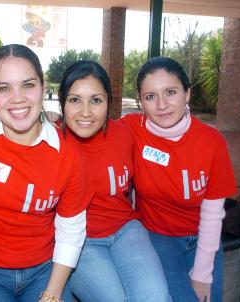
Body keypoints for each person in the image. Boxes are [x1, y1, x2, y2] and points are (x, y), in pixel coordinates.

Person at [0, 44, 92, 302]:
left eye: (28, 85)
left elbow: (71, 230)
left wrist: (52, 294)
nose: (18, 98)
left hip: (43, 270)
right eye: (3, 88)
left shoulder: (69, 152)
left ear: (43, 85)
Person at [120, 56, 236, 302]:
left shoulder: (211, 141)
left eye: (170, 92)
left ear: (187, 94)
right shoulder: (132, 129)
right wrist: (49, 121)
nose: (161, 104)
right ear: (141, 102)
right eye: (150, 96)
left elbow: (213, 212)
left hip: (204, 237)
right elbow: (89, 128)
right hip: (158, 236)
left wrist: (203, 273)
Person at [56, 60, 171, 302]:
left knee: (155, 297)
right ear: (62, 102)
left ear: (109, 102)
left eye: (96, 100)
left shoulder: (127, 131)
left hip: (126, 231)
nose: (85, 112)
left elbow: (171, 126)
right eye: (75, 100)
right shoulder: (49, 139)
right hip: (80, 242)